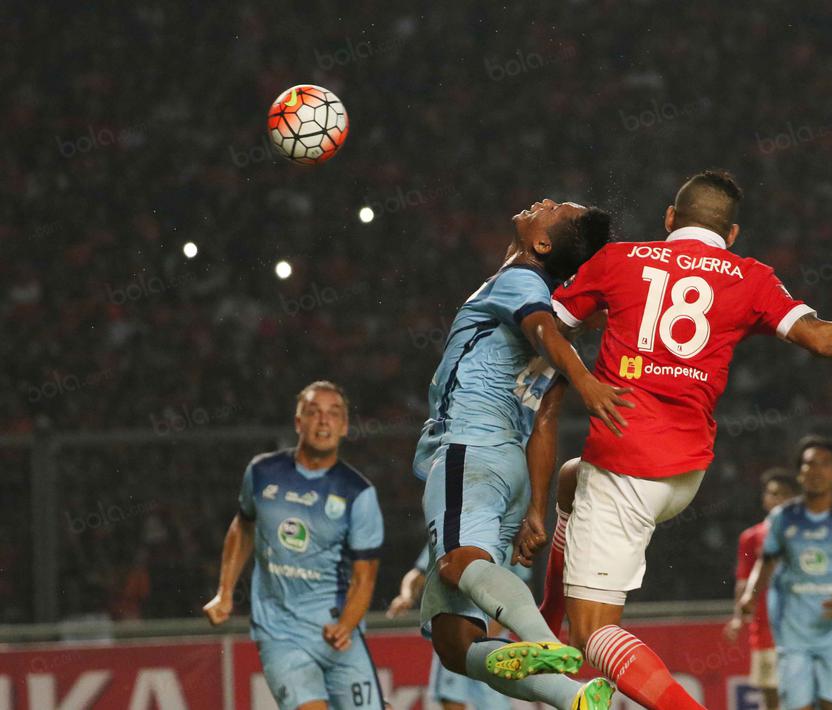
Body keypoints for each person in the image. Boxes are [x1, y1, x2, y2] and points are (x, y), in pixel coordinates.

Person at [518, 169, 832, 710]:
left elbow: (551, 328)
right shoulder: (749, 276)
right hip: (684, 473)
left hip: (626, 465)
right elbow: (824, 337)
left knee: (593, 634)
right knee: (571, 478)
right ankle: (547, 616)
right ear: (731, 235)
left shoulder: (619, 259)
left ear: (670, 218)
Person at [411, 199, 622, 710]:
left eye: (553, 208)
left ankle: (544, 643)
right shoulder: (562, 321)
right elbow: (545, 421)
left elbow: (538, 329)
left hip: (470, 445)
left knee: (459, 563)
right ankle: (573, 698)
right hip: (511, 469)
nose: (542, 203)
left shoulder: (521, 280)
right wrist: (534, 507)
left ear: (542, 244)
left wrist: (586, 381)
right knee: (455, 646)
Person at [203, 381, 386, 710]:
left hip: (337, 631)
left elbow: (365, 577)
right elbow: (243, 526)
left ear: (344, 427)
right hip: (280, 632)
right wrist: (225, 591)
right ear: (298, 422)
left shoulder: (358, 493)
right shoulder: (262, 473)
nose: (323, 421)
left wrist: (346, 625)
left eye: (333, 414)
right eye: (313, 412)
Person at [740, 437, 832, 710]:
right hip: (792, 629)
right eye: (808, 464)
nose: (815, 471)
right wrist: (750, 595)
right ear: (800, 473)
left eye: (824, 464)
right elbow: (766, 562)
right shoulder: (783, 517)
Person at [387, 544, 528, 710]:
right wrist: (406, 596)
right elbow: (418, 574)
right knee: (451, 697)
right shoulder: (444, 532)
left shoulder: (506, 541)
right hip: (453, 634)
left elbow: (517, 594)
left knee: (495, 703)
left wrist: (488, 634)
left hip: (492, 644)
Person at [724, 468, 800, 710]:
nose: (778, 499)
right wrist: (738, 618)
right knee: (772, 697)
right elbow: (744, 581)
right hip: (766, 627)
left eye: (784, 494)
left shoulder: (808, 532)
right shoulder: (751, 537)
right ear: (765, 499)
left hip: (802, 626)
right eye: (773, 493)